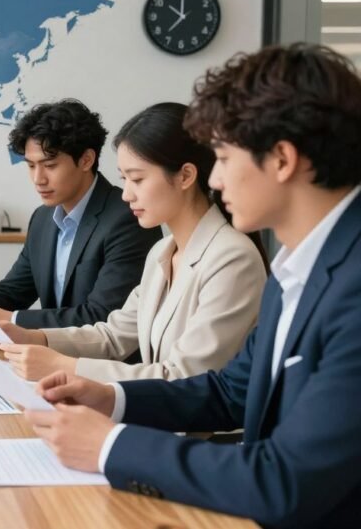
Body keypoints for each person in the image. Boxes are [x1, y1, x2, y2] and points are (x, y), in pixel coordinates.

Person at [26, 44, 361, 528]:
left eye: (223, 157)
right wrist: (108, 397)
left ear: (282, 159)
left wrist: (110, 446)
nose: (216, 179)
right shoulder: (296, 268)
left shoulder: (348, 286)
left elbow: (284, 480)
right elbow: (230, 391)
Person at [0, 103, 268, 382]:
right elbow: (112, 335)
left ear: (185, 176)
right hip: (154, 415)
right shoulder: (162, 252)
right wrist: (31, 336)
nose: (126, 195)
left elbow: (185, 377)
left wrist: (65, 367)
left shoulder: (232, 258)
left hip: (196, 424)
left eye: (137, 179)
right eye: (124, 179)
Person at [0, 100, 161, 335]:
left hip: (102, 365)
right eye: (30, 166)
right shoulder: (42, 218)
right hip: (49, 357)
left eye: (50, 165)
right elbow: (14, 290)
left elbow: (103, 315)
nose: (38, 179)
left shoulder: (128, 218)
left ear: (86, 160)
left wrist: (13, 319)